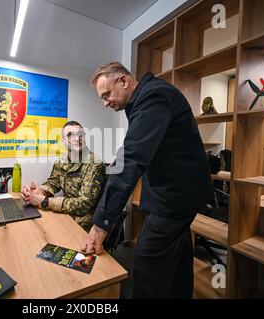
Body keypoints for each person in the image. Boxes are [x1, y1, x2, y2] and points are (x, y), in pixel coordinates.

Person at [81, 62, 212, 299]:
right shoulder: (145, 99)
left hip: (177, 196)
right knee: (177, 262)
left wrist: (101, 224)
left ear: (123, 80)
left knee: (146, 264)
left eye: (107, 94)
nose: (105, 102)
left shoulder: (154, 97)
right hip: (177, 191)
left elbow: (131, 158)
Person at [20, 121, 105, 232]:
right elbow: (52, 183)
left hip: (87, 223)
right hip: (67, 215)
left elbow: (84, 205)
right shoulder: (61, 162)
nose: (76, 138)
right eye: (70, 135)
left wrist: (44, 201)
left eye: (80, 134)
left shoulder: (94, 164)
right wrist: (38, 192)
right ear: (63, 141)